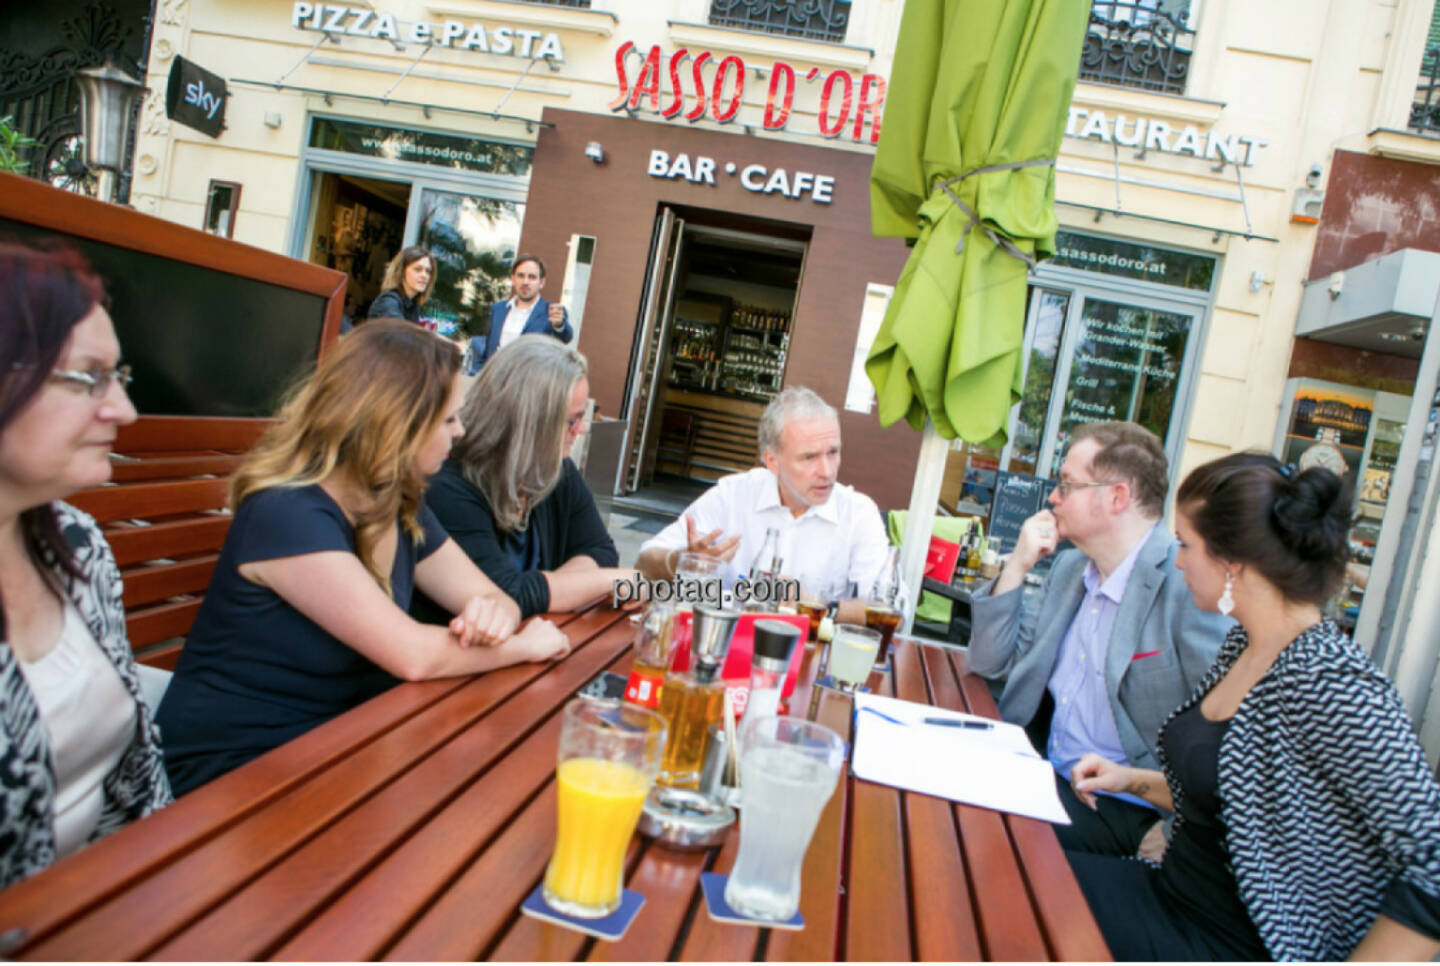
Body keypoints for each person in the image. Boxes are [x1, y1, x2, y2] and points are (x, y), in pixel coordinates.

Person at [155, 321, 570, 796]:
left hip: (335, 752)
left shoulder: (393, 501)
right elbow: (412, 654)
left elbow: (495, 595)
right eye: (449, 419)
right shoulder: (287, 511)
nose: (461, 431)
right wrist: (521, 645)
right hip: (229, 777)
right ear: (399, 424)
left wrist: (493, 614)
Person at [1066, 453, 1440, 961]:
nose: (1176, 561)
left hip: (1231, 940)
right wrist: (1127, 778)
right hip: (1168, 896)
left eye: (1185, 544)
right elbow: (1235, 796)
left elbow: (1431, 861)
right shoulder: (1245, 644)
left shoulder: (1330, 679)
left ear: (1232, 562)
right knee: (1016, 871)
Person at [967, 422, 1227, 859]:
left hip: (1128, 809)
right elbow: (990, 662)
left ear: (1116, 497)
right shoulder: (1069, 572)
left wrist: (1176, 824)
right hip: (1041, 773)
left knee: (974, 840)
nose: (1053, 497)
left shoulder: (1187, 585)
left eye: (1067, 485)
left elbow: (1226, 735)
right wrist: (1015, 566)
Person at [0, 243, 170, 886]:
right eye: (86, 377)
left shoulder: (76, 544)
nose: (123, 410)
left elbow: (138, 770)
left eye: (117, 377)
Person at [412, 336, 631, 622]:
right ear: (530, 421)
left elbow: (601, 551)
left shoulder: (555, 470)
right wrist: (606, 582)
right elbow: (504, 596)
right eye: (572, 420)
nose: (583, 429)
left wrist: (546, 594)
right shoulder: (446, 484)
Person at [636, 387, 889, 623]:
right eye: (809, 457)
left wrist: (818, 605)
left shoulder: (858, 514)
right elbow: (644, 563)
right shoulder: (733, 495)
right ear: (772, 461)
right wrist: (683, 560)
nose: (827, 471)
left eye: (833, 452)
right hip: (725, 645)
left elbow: (891, 609)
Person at [473, 254, 572, 370]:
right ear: (513, 279)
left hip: (527, 382)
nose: (525, 282)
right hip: (494, 380)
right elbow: (488, 350)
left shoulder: (550, 312)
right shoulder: (498, 309)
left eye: (532, 277)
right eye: (521, 276)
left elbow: (566, 338)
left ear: (541, 283)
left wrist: (559, 325)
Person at [366, 246, 435, 324]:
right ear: (401, 271)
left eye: (428, 271)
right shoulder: (388, 302)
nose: (424, 275)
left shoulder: (412, 306)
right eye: (418, 269)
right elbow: (402, 333)